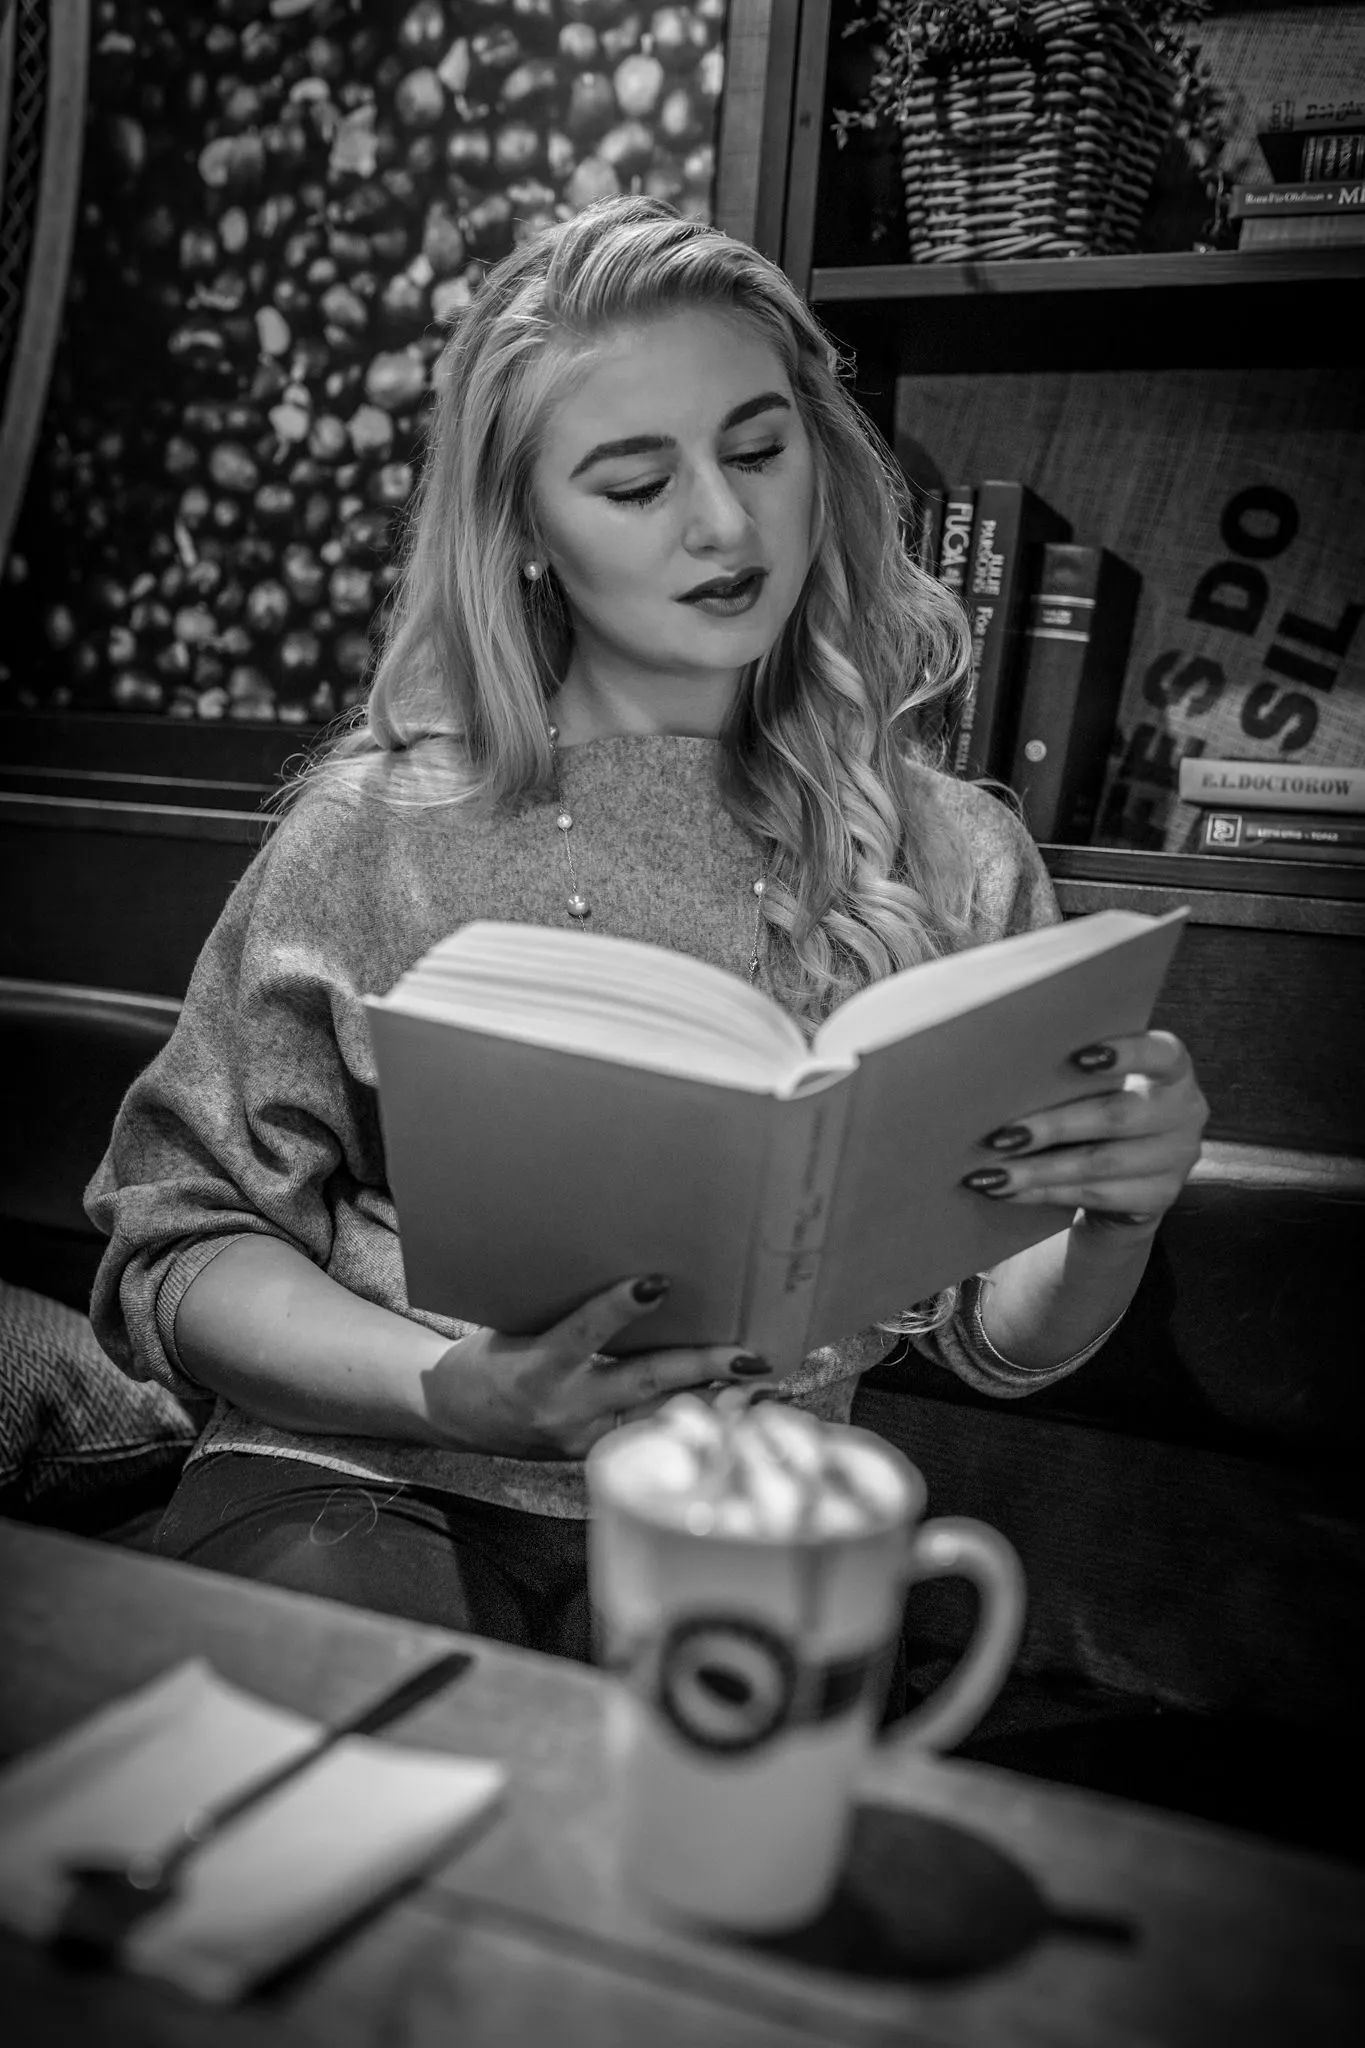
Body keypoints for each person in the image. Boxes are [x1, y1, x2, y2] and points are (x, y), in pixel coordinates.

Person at [87, 198, 1207, 1666]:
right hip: (361, 1487)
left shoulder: (955, 853)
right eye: (633, 483)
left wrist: (1116, 1209)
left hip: (744, 1534)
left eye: (758, 450)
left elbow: (1000, 1337)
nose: (728, 525)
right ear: (526, 532)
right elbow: (178, 1247)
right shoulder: (377, 831)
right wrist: (447, 1392)